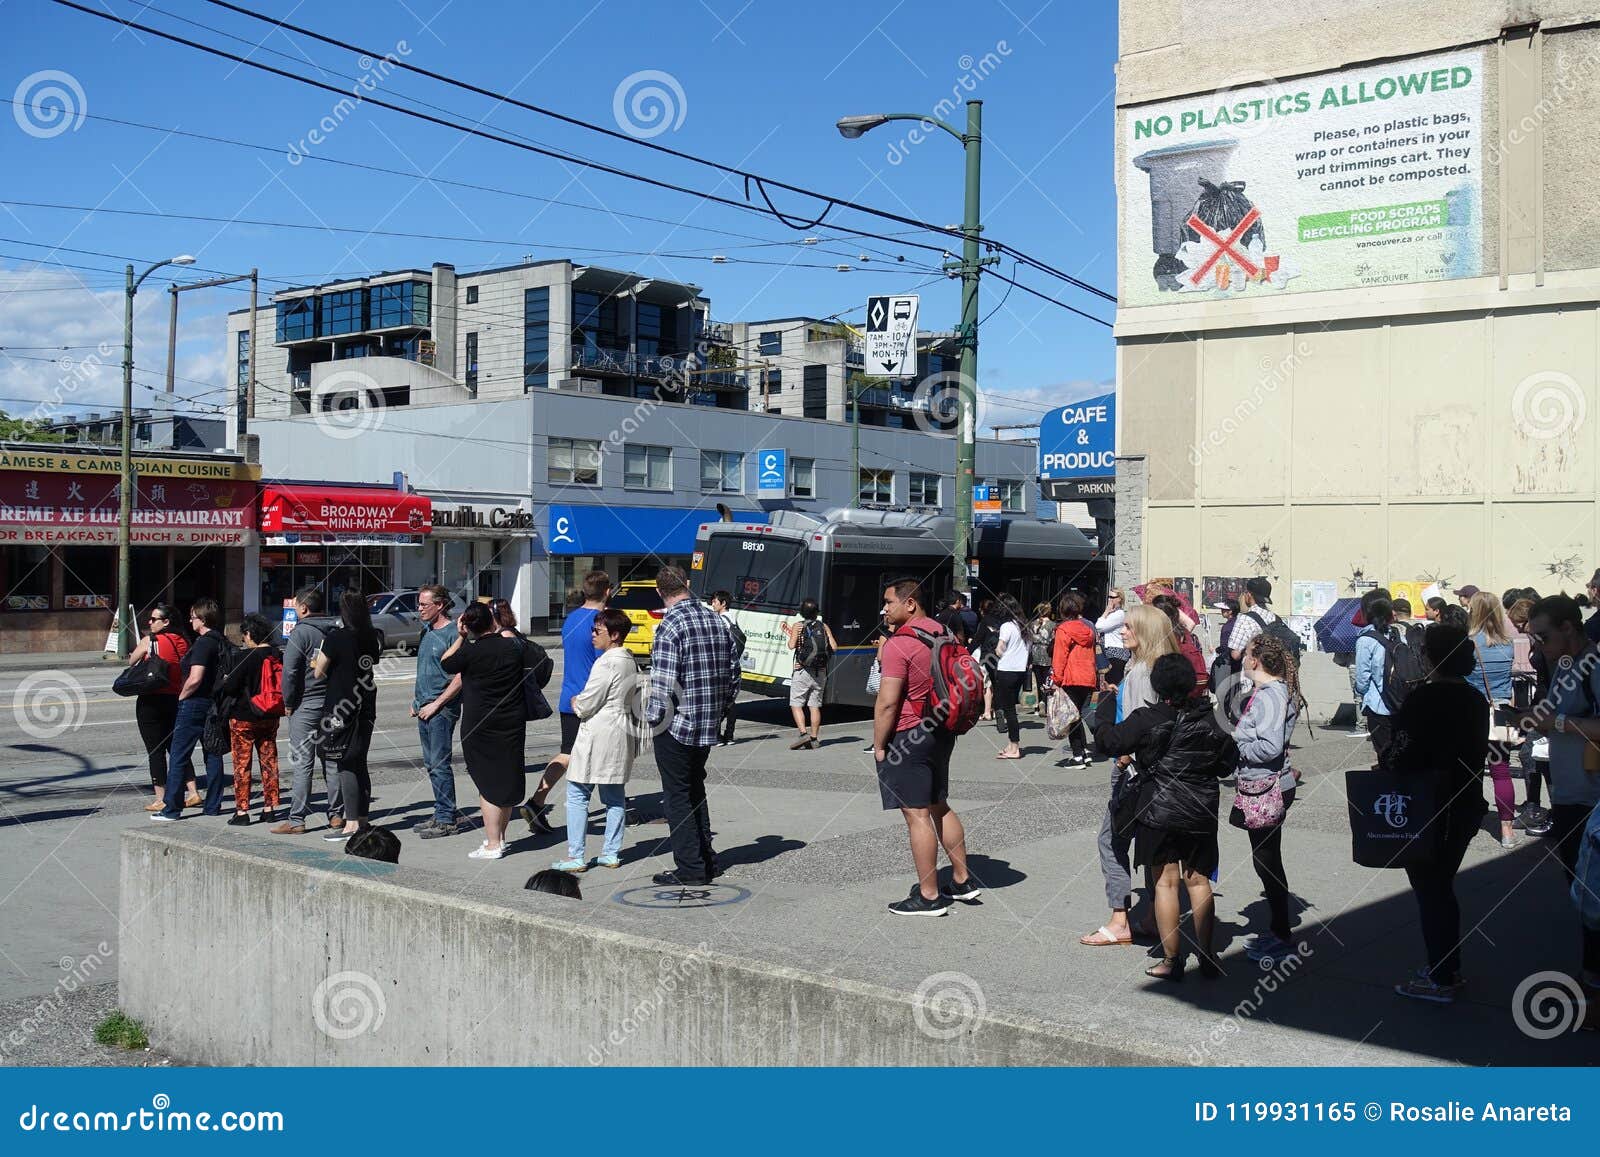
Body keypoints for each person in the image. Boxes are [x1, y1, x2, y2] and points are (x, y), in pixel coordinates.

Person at [1094, 653, 1234, 980]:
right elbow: (1227, 765)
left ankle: (1172, 961)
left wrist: (1102, 711)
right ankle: (1208, 955)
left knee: (1166, 883)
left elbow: (1108, 742)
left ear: (1157, 685)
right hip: (1200, 809)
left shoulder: (1147, 718)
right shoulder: (1212, 720)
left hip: (1159, 809)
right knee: (1199, 881)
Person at [1385, 623, 1489, 1004]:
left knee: (1432, 890)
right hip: (1464, 803)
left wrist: (1388, 757)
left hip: (1428, 806)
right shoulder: (1476, 699)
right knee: (1441, 886)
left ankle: (1442, 973)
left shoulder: (1423, 700)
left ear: (1431, 655)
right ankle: (1446, 967)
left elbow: (1400, 753)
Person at [1514, 594, 1600, 1026]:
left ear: (1569, 627)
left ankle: (1593, 992)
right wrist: (1527, 717)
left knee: (1592, 897)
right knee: (1583, 895)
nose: (1540, 645)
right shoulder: (1567, 666)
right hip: (1569, 795)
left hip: (1590, 798)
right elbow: (1559, 713)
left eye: (1544, 636)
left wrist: (1558, 723)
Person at [873, 578, 979, 916]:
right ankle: (962, 880)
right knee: (939, 805)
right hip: (942, 728)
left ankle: (929, 896)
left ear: (910, 604)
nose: (884, 609)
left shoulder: (898, 644)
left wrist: (878, 745)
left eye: (889, 602)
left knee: (916, 815)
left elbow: (888, 703)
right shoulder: (943, 632)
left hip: (909, 733)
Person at [1080, 604, 1176, 946]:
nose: (1122, 632)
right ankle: (1153, 914)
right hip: (1159, 774)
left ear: (1145, 633)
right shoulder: (1158, 669)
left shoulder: (1140, 673)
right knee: (1151, 847)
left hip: (1133, 769)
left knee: (1111, 840)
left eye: (1130, 628)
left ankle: (1120, 918)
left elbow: (1140, 725)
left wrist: (1124, 757)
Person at [646, 566, 739, 886]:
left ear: (660, 592)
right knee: (695, 789)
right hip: (707, 723)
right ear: (687, 584)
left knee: (677, 796)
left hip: (677, 726)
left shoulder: (670, 625)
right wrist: (721, 710)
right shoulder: (717, 620)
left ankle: (691, 868)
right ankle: (706, 859)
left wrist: (652, 717)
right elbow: (733, 673)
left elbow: (663, 684)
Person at [1234, 632, 1306, 966]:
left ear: (1256, 660)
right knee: (1267, 858)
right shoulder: (1270, 692)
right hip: (1266, 782)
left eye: (1247, 653)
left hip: (1266, 784)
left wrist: (1237, 746)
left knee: (1266, 860)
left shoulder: (1270, 696)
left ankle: (1281, 934)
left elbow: (1269, 746)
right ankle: (1279, 930)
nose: (1242, 659)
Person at [551, 609, 639, 873]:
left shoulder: (606, 662)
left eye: (597, 631)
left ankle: (576, 855)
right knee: (613, 796)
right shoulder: (628, 659)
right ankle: (611, 853)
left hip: (598, 735)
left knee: (578, 794)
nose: (592, 635)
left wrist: (576, 702)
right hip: (620, 734)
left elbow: (588, 702)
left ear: (613, 635)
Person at [438, 602, 528, 860]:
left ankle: (492, 844)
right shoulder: (513, 646)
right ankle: (501, 838)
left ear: (467, 625)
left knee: (487, 784)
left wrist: (460, 637)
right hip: (511, 721)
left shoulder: (470, 652)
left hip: (480, 725)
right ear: (492, 621)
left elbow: (445, 663)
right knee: (508, 778)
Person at [523, 570, 611, 832]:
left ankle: (537, 801)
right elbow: (603, 663)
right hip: (592, 700)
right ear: (607, 591)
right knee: (598, 755)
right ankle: (597, 806)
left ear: (585, 591)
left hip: (568, 696)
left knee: (568, 753)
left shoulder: (571, 618)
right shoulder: (600, 621)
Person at [314, 592, 381, 844]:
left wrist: (318, 657)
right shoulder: (369, 636)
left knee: (344, 762)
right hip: (365, 702)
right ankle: (362, 818)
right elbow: (370, 660)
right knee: (359, 760)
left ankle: (351, 823)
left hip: (340, 705)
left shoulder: (335, 637)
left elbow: (319, 671)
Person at [152, 598, 226, 821]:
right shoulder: (222, 641)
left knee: (178, 755)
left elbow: (195, 678)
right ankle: (213, 805)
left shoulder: (203, 643)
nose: (190, 620)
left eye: (193, 617)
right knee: (212, 754)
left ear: (202, 620)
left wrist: (182, 698)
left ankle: (171, 808)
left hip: (195, 703)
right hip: (215, 704)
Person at [273, 586, 338, 835]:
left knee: (303, 763)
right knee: (330, 761)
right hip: (331, 703)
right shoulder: (334, 630)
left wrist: (288, 701)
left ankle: (297, 819)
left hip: (305, 702)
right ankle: (335, 815)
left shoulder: (301, 634)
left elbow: (290, 671)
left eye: (295, 606)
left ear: (303, 607)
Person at [412, 584, 466, 839]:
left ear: (441, 605)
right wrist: (417, 702)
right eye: (419, 604)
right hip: (424, 708)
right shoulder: (426, 631)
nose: (419, 609)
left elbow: (460, 677)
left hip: (441, 710)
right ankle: (441, 810)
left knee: (440, 764)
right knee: (431, 764)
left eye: (424, 604)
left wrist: (436, 703)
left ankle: (447, 818)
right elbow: (426, 670)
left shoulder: (453, 633)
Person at [219, 613, 284, 825]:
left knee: (242, 764)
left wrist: (226, 680)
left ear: (249, 633)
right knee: (269, 760)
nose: (244, 640)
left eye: (244, 635)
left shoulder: (244, 657)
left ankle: (242, 811)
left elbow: (230, 687)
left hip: (244, 716)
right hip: (270, 714)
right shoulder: (276, 655)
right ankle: (270, 807)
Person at [1467, 591, 1518, 848]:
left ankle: (1471, 818)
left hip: (1473, 714)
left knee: (1472, 770)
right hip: (1500, 714)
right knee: (1501, 771)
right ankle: (1507, 829)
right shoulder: (1507, 643)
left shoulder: (1470, 643)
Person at [129, 603, 190, 813]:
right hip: (175, 698)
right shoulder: (182, 641)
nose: (149, 622)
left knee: (155, 750)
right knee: (176, 747)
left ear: (166, 622)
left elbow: (131, 660)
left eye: (154, 619)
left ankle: (160, 797)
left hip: (152, 699)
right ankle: (192, 791)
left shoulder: (150, 640)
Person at [1506, 597, 1552, 834]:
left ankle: (1538, 808)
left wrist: (1535, 710)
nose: (1519, 631)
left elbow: (1548, 681)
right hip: (1542, 705)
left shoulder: (1546, 644)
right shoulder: (1541, 642)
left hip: (1547, 707)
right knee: (1536, 757)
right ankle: (1537, 806)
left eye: (1521, 625)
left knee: (1534, 756)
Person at [784, 597, 838, 750]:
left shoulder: (798, 626)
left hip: (802, 669)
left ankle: (803, 734)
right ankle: (814, 739)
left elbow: (791, 645)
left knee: (796, 703)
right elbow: (834, 647)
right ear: (817, 612)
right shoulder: (824, 626)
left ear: (802, 613)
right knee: (814, 705)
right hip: (820, 672)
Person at [1050, 591, 1096, 766]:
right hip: (1087, 677)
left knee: (1071, 717)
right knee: (1076, 716)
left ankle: (1078, 756)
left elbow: (1059, 657)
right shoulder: (1088, 629)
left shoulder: (1064, 629)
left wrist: (1056, 679)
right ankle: (1083, 752)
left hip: (1071, 677)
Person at [1354, 596, 1398, 760]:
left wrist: (1360, 692)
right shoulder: (1396, 633)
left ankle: (1387, 783)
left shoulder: (1365, 639)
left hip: (1377, 703)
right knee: (1397, 751)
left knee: (1383, 752)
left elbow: (1362, 677)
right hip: (1399, 700)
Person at [989, 594, 1030, 760]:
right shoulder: (1023, 626)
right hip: (1020, 671)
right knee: (1011, 708)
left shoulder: (1006, 626)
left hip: (1007, 670)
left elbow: (1000, 649)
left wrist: (996, 651)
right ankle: (1011, 744)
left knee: (1009, 711)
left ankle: (1015, 747)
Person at [1153, 593, 1208, 696]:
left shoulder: (1169, 634)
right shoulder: (1183, 631)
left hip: (1182, 685)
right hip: (1194, 682)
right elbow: (1190, 623)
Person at [709, 590, 744, 745]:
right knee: (731, 701)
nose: (712, 604)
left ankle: (716, 736)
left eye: (715, 602)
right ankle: (729, 735)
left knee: (717, 700)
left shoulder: (720, 620)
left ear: (723, 603)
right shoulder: (734, 617)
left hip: (722, 665)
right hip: (734, 665)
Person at [1228, 577, 1278, 665]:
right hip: (1274, 672)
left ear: (1249, 595)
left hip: (1254, 673)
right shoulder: (1275, 618)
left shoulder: (1245, 619)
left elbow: (1235, 655)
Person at [1026, 602, 1056, 716]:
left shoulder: (1032, 624)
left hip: (1035, 654)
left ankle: (1038, 704)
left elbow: (1028, 641)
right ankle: (1045, 702)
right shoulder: (1053, 625)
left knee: (1037, 681)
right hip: (1047, 655)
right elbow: (1054, 642)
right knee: (1047, 681)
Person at [1095, 588, 1129, 686]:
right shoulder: (1112, 614)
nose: (1110, 600)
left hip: (1116, 653)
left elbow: (1098, 627)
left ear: (1120, 599)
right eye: (1109, 597)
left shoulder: (1119, 614)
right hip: (1110, 653)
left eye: (1112, 597)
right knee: (1108, 683)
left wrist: (1106, 612)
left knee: (1113, 684)